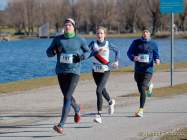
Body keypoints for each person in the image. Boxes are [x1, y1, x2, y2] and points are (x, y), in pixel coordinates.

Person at [46, 18, 90, 134]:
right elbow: (48, 52)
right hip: (61, 71)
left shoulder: (79, 39)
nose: (67, 27)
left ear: (73, 27)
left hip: (74, 71)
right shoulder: (58, 39)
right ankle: (77, 109)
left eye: (69, 25)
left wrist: (80, 57)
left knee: (67, 97)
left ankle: (61, 125)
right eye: (65, 25)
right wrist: (54, 51)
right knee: (67, 95)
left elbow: (88, 52)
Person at [89, 26, 120, 123]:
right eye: (98, 33)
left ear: (104, 35)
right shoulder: (92, 44)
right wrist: (96, 52)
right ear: (96, 35)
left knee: (98, 91)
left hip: (105, 70)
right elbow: (87, 54)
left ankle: (98, 115)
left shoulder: (108, 44)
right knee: (102, 90)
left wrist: (116, 61)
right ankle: (111, 102)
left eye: (101, 33)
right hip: (95, 70)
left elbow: (117, 50)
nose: (99, 35)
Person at [127, 29, 160, 117]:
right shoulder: (136, 42)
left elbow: (156, 54)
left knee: (142, 88)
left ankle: (141, 110)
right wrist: (133, 57)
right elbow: (129, 52)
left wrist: (157, 59)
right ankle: (149, 87)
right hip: (138, 69)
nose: (145, 33)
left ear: (149, 34)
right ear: (142, 33)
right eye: (144, 32)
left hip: (148, 70)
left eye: (147, 32)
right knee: (140, 88)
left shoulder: (153, 43)